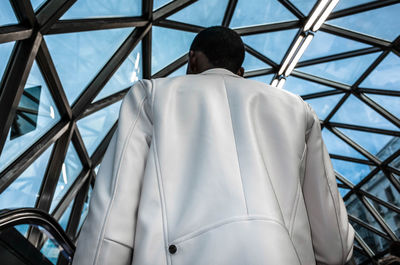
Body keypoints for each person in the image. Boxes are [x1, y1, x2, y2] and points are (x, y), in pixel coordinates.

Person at [72, 26, 354, 265]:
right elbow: (335, 246)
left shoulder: (152, 95)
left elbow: (111, 219)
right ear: (240, 71)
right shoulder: (297, 110)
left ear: (192, 59)